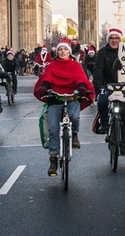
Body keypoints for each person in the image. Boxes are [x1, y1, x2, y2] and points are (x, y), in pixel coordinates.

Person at [34, 38, 94, 177]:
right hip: (55, 98)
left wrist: (81, 87)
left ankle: (74, 134)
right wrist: (44, 87)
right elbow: (47, 78)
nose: (62, 51)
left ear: (69, 51)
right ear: (57, 52)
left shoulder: (75, 65)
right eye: (60, 49)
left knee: (74, 116)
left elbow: (80, 78)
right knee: (54, 130)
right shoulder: (52, 65)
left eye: (65, 49)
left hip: (72, 97)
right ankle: (53, 159)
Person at [92, 28, 125, 156]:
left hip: (123, 85)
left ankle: (123, 144)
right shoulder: (102, 52)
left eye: (116, 38)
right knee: (102, 102)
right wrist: (97, 87)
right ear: (108, 40)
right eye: (111, 38)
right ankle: (104, 123)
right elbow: (98, 70)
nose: (114, 41)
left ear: (120, 39)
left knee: (124, 114)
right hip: (107, 84)